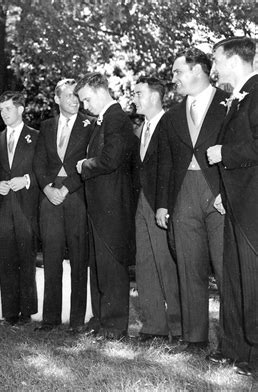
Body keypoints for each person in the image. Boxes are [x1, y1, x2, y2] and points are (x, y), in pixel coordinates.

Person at [155, 48, 229, 353]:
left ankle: (233, 344)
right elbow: (165, 162)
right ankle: (194, 338)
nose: (173, 78)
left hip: (221, 194)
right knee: (189, 266)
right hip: (183, 194)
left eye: (177, 71)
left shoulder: (230, 105)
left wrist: (231, 191)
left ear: (198, 70)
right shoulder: (172, 115)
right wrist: (162, 203)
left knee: (228, 270)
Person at [206, 36, 258, 377]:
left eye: (217, 60)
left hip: (254, 207)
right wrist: (225, 190)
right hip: (237, 202)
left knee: (253, 284)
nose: (214, 68)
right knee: (237, 281)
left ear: (235, 62)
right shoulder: (238, 99)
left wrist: (223, 153)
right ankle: (239, 352)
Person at [75, 72, 137, 339]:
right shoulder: (104, 121)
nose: (85, 106)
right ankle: (101, 319)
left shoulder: (116, 119)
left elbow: (111, 159)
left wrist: (83, 165)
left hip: (112, 205)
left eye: (87, 99)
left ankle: (114, 326)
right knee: (100, 265)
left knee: (112, 266)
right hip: (101, 205)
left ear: (101, 91)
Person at [33, 79, 93, 333]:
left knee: (79, 257)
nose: (73, 100)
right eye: (68, 95)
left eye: (76, 95)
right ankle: (50, 319)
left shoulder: (90, 125)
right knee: (52, 257)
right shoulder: (46, 126)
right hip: (49, 197)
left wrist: (66, 188)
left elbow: (91, 161)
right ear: (56, 99)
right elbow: (39, 161)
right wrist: (47, 188)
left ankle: (78, 320)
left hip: (76, 194)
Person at [132, 77, 181, 342]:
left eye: (138, 93)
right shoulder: (140, 129)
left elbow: (170, 168)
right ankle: (153, 326)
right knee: (145, 264)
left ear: (154, 96)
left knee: (166, 264)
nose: (134, 98)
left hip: (160, 204)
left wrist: (163, 205)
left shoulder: (170, 123)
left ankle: (179, 327)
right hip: (140, 203)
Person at [0, 91, 39, 326]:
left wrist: (26, 180)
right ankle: (9, 313)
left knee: (26, 258)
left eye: (8, 108)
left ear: (20, 109)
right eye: (1, 110)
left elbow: (43, 171)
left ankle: (26, 311)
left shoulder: (36, 137)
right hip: (3, 207)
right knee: (6, 258)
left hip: (26, 207)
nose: (4, 113)